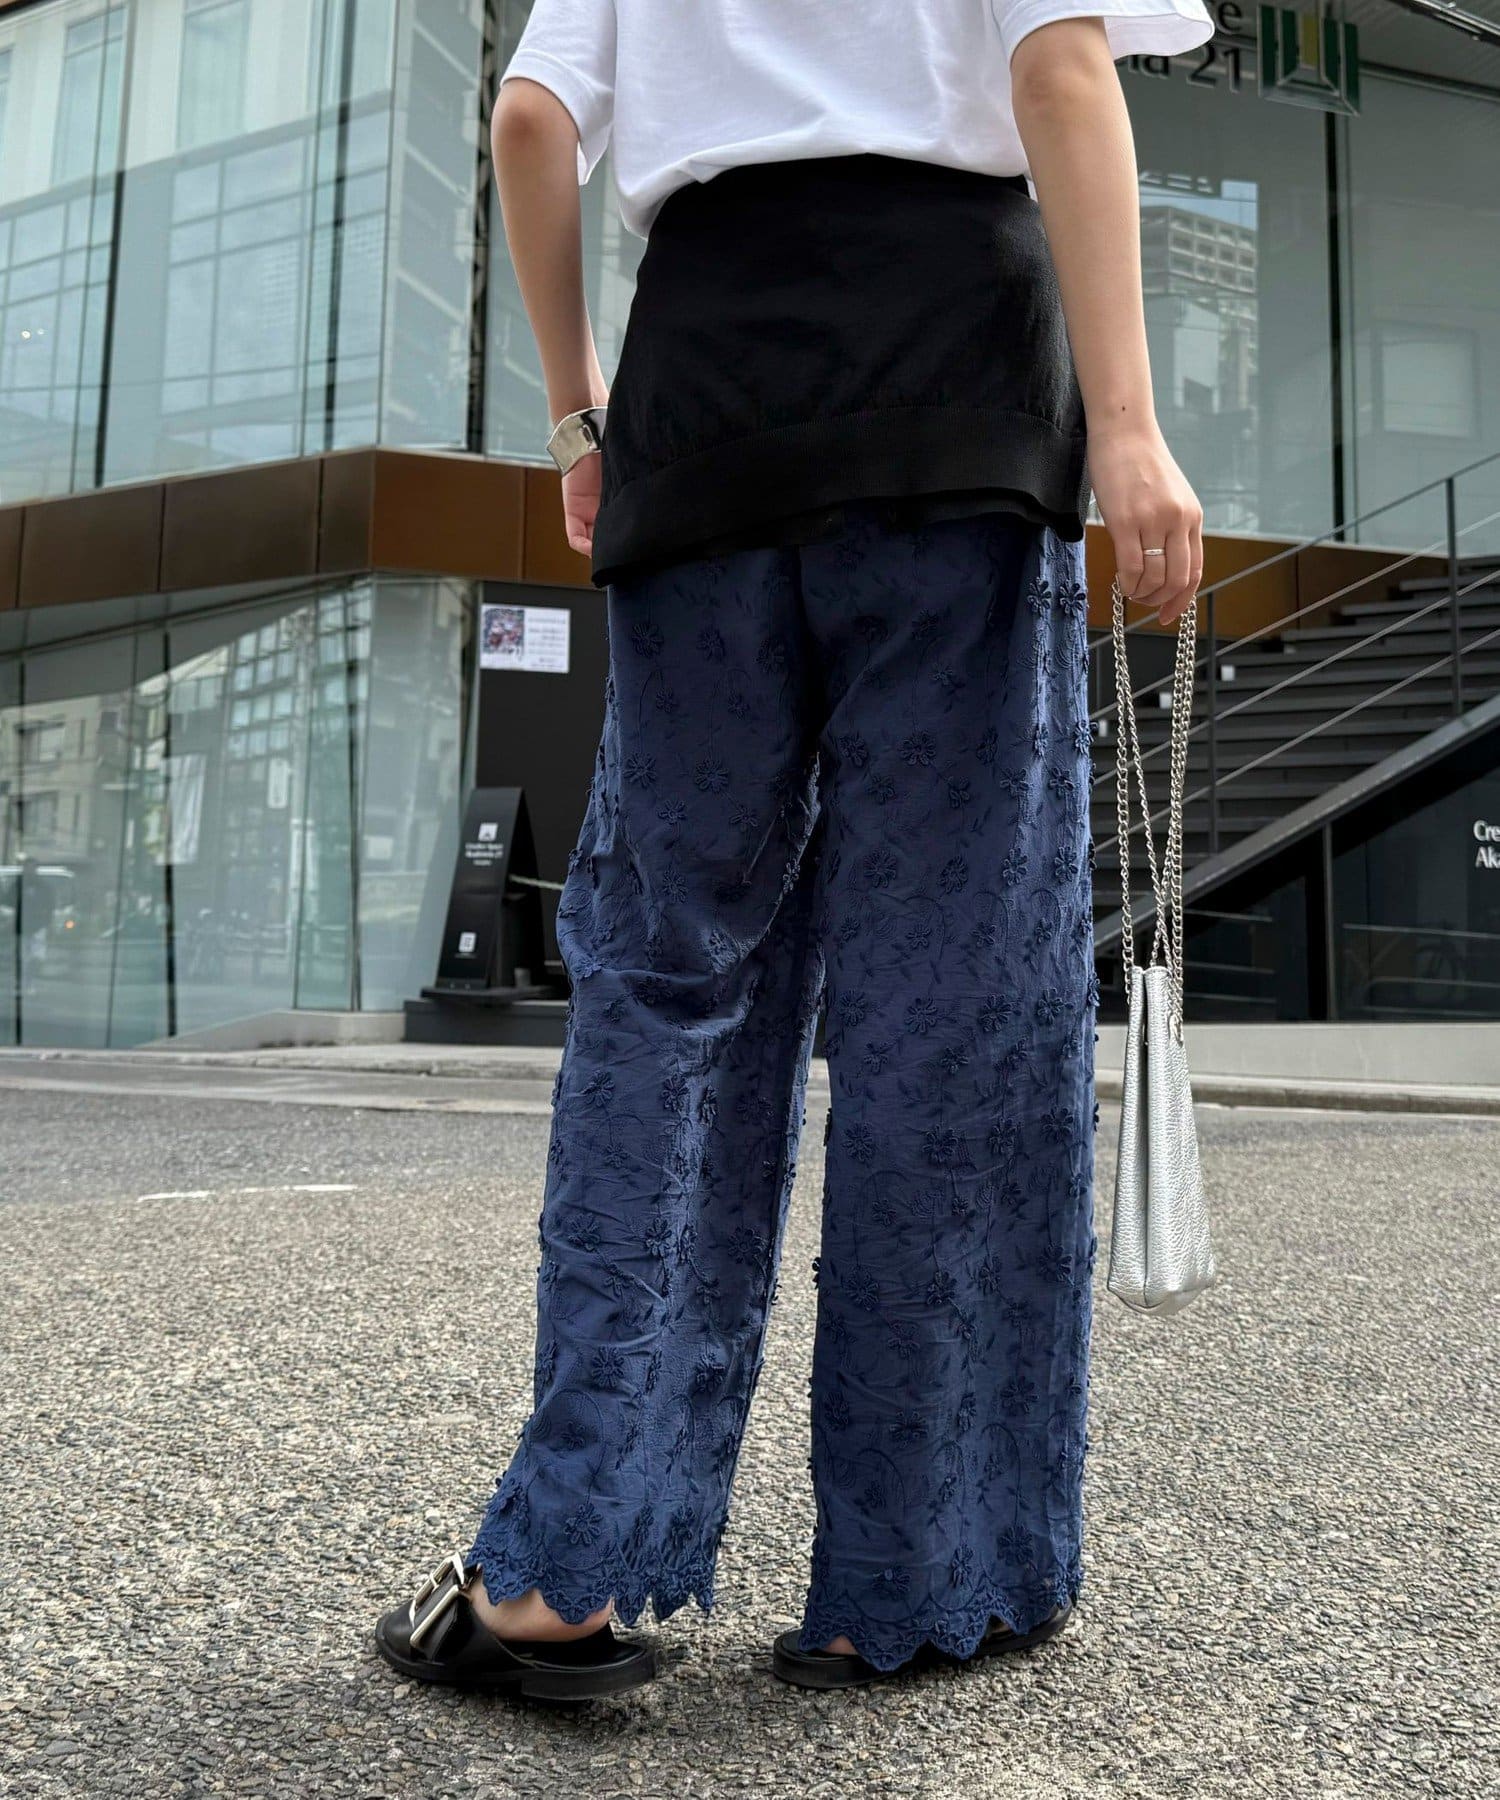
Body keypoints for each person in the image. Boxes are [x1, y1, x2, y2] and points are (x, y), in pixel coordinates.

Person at [375, 0, 1208, 1700]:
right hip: (954, 399)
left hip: (706, 410)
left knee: (664, 985)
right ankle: (919, 1574)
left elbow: (530, 124)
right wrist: (1128, 424)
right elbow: (1060, 69)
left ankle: (562, 1571)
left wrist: (576, 414)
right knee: (951, 997)